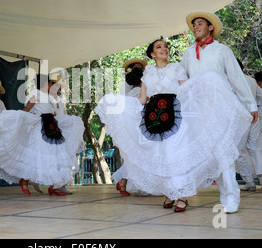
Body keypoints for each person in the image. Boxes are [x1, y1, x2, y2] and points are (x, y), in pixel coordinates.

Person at [96, 39, 252, 213]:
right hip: (153, 116)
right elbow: (142, 98)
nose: (164, 49)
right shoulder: (147, 72)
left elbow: (185, 90)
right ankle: (171, 192)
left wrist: (206, 85)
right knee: (162, 155)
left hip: (174, 114)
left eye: (166, 46)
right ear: (152, 54)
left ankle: (182, 195)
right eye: (159, 47)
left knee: (174, 155)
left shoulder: (177, 68)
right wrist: (120, 105)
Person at [181, 11, 258, 213]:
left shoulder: (222, 50)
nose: (195, 27)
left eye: (199, 24)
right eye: (193, 25)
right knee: (209, 153)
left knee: (224, 151)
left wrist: (251, 105)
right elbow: (182, 81)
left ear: (210, 27)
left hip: (221, 107)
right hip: (198, 110)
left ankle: (231, 197)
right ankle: (221, 194)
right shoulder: (189, 53)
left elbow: (236, 78)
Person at [0, 74, 85, 196]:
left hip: (52, 127)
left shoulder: (49, 97)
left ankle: (57, 185)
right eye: (50, 83)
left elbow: (52, 112)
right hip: (41, 127)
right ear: (46, 83)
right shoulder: (35, 93)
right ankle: (26, 180)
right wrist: (16, 119)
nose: (52, 86)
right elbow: (28, 108)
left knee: (54, 155)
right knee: (37, 155)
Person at [235, 59, 262, 192]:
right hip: (254, 116)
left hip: (240, 118)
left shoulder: (230, 81)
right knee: (253, 147)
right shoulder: (251, 81)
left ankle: (249, 181)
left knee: (239, 151)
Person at [113, 59, 147, 196]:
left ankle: (123, 182)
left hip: (142, 122)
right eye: (136, 68)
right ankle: (122, 181)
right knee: (136, 154)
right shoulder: (127, 86)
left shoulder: (142, 84)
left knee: (138, 154)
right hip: (132, 123)